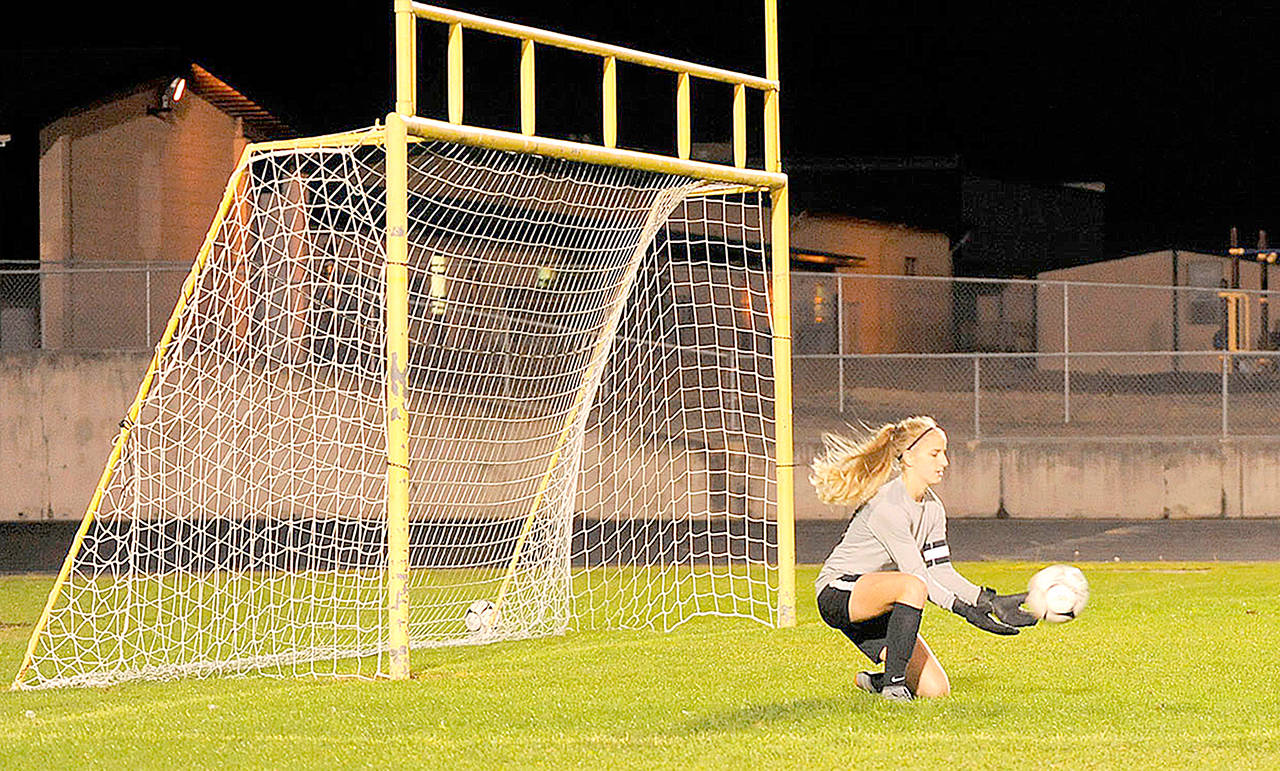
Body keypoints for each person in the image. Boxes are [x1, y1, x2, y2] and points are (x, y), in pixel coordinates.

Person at [810, 415, 1038, 702]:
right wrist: (963, 610)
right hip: (839, 594)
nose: (944, 462)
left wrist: (986, 599)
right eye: (934, 454)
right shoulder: (888, 505)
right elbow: (918, 577)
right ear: (908, 457)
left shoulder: (932, 507)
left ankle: (876, 681)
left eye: (944, 453)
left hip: (882, 601)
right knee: (912, 586)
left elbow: (940, 570)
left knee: (936, 690)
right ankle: (894, 689)